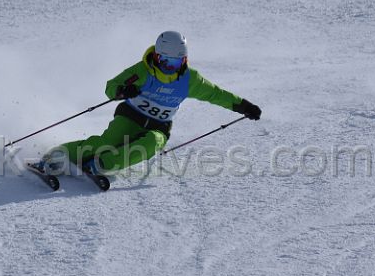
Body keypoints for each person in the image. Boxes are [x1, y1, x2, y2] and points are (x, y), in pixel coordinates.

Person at [42, 31, 261, 175]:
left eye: (175, 62)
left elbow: (216, 94)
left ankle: (100, 165)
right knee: (109, 142)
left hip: (159, 126)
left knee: (149, 146)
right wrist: (122, 90)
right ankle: (57, 156)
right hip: (130, 117)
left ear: (184, 60)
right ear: (156, 57)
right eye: (165, 61)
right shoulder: (143, 71)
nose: (169, 67)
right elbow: (111, 86)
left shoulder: (189, 80)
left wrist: (243, 106)